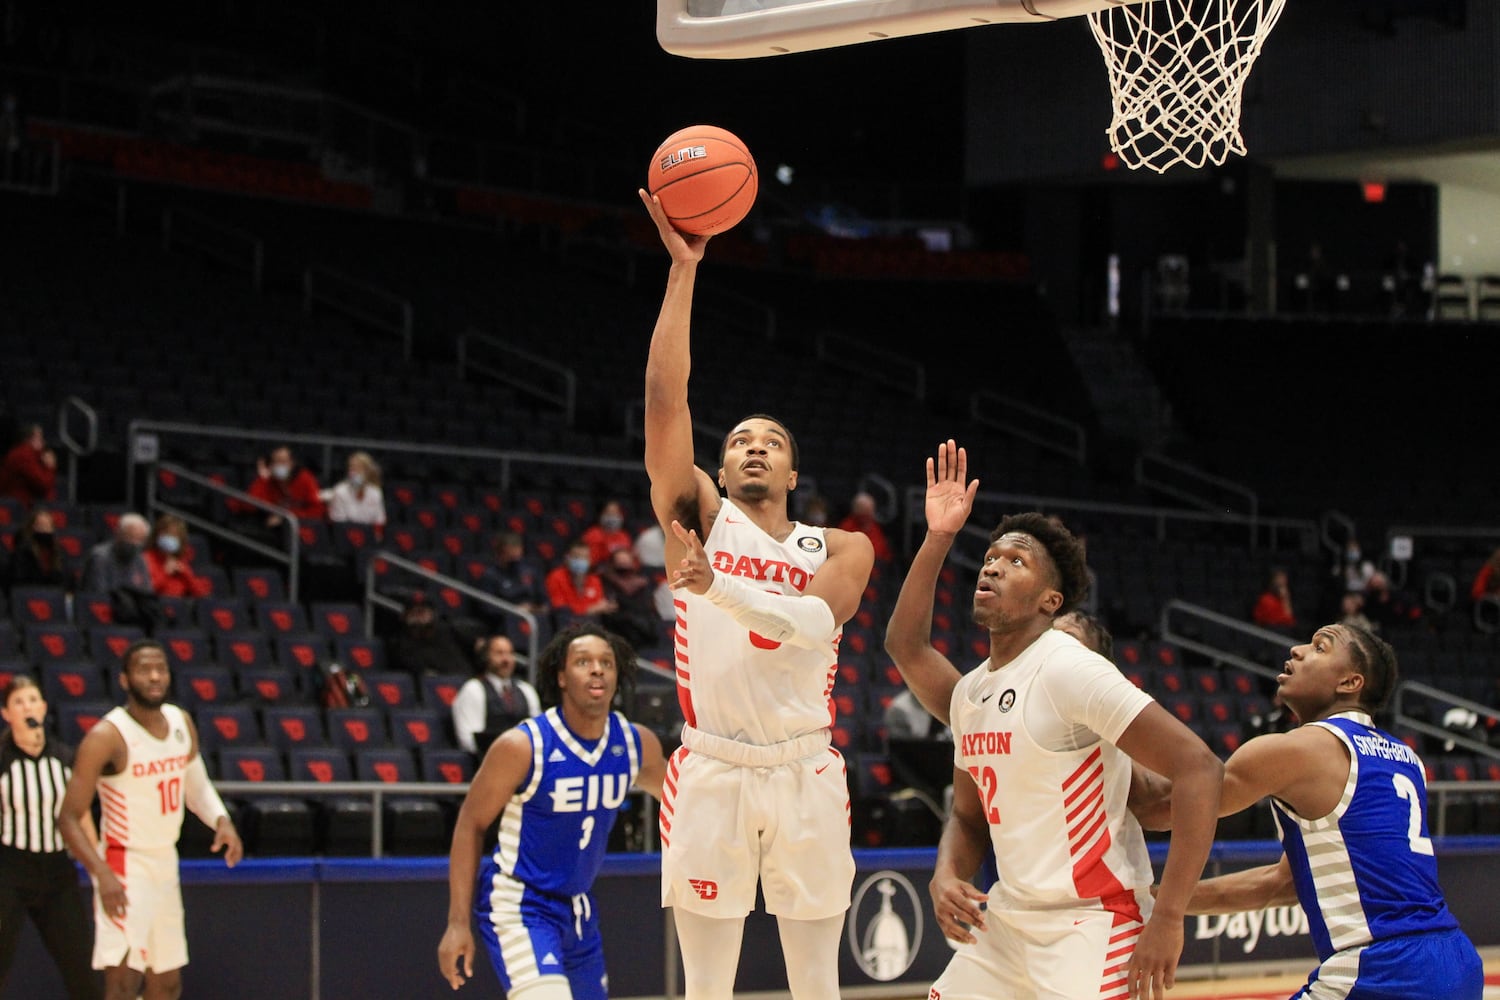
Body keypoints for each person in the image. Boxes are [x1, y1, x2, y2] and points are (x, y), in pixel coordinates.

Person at [639, 187, 876, 1000]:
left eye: (770, 442)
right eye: (739, 439)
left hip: (807, 770)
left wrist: (719, 590)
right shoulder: (704, 520)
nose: (751, 449)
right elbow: (667, 404)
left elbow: (815, 623)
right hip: (712, 766)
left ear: (793, 473)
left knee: (817, 987)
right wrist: (683, 273)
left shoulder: (840, 545)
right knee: (707, 989)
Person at [883, 440, 1222, 1000]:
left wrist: (1169, 916)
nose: (993, 565)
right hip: (1010, 919)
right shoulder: (971, 692)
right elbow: (969, 820)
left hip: (1092, 920)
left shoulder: (1071, 669)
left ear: (1049, 601)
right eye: (992, 557)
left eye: (1016, 562)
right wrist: (947, 874)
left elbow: (1200, 769)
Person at [1144, 623, 1483, 1000]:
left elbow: (1167, 809)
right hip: (1455, 962)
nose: (1297, 650)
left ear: (1350, 683)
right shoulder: (1405, 758)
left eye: (1320, 647)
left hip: (1386, 968)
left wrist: (1107, 741)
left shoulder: (1300, 750)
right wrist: (1155, 898)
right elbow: (1282, 884)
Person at [437, 623, 667, 998]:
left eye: (606, 662)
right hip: (520, 904)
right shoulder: (522, 746)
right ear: (561, 677)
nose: (597, 669)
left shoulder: (635, 743)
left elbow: (682, 799)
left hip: (578, 909)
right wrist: (457, 923)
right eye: (583, 662)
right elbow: (470, 824)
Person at [57, 640, 243, 1000]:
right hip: (124, 864)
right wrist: (101, 873)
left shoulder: (180, 722)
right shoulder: (106, 736)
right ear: (125, 680)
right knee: (124, 982)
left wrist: (221, 818)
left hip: (165, 862)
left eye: (161, 669)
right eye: (144, 669)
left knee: (168, 982)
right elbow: (67, 817)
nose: (155, 676)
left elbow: (197, 785)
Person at [0, 677, 100, 999]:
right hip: (9, 871)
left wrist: (98, 866)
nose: (27, 706)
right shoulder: (2, 760)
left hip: (58, 873)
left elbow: (82, 815)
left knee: (83, 968)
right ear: (6, 714)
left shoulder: (66, 758)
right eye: (19, 702)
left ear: (44, 708)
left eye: (33, 699)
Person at [451, 634, 541, 756]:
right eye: (499, 653)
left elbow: (538, 733)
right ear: (486, 657)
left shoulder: (526, 690)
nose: (506, 659)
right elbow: (469, 741)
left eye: (509, 653)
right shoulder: (473, 689)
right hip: (486, 763)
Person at [227, 445, 325, 530]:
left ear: (292, 463)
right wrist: (263, 479)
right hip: (273, 528)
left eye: (283, 461)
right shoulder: (268, 481)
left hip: (301, 527)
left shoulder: (305, 479)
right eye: (275, 462)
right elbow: (251, 506)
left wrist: (285, 516)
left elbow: (317, 511)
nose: (279, 465)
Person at [388, 593, 473, 678]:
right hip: (438, 685)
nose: (418, 617)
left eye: (422, 611)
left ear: (433, 614)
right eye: (413, 612)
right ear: (404, 616)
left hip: (466, 681)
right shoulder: (398, 643)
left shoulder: (448, 633)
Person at [597, 547, 663, 650]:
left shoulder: (642, 584)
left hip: (644, 634)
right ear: (612, 564)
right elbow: (612, 608)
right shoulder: (604, 581)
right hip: (616, 632)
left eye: (626, 562)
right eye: (620, 563)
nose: (624, 566)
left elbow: (648, 609)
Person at [544, 541, 615, 627]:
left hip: (592, 624)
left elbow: (600, 605)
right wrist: (587, 609)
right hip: (565, 625)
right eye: (576, 557)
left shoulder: (594, 580)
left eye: (585, 557)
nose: (581, 561)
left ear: (590, 560)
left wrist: (600, 608)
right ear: (567, 558)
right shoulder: (556, 577)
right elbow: (559, 607)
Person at [142, 514, 212, 600]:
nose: (170, 538)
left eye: (174, 535)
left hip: (178, 608)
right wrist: (165, 573)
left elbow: (202, 594)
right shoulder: (146, 558)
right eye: (166, 533)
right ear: (157, 535)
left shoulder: (181, 561)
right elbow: (145, 590)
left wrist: (186, 575)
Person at [323, 450, 386, 527]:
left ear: (367, 472)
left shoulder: (375, 493)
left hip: (369, 536)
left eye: (358, 468)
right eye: (352, 468)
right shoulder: (340, 491)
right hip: (346, 534)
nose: (354, 472)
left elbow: (380, 521)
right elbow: (338, 523)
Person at [0, 423, 57, 508]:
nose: (43, 442)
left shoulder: (31, 455)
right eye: (40, 438)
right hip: (19, 507)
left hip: (24, 505)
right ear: (28, 439)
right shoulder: (23, 455)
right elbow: (42, 484)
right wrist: (50, 467)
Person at [8, 505, 66, 587]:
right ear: (32, 527)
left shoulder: (60, 552)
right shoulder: (22, 552)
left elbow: (66, 579)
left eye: (48, 526)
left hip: (54, 596)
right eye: (41, 526)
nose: (45, 530)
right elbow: (18, 580)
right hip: (29, 594)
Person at [837, 491, 893, 562]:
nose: (869, 517)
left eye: (870, 512)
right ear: (856, 512)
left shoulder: (875, 527)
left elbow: (885, 554)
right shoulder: (846, 528)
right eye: (865, 513)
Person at [579, 499, 632, 568]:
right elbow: (589, 561)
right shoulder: (592, 535)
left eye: (615, 513)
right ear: (601, 515)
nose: (612, 516)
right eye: (609, 513)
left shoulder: (624, 536)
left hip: (622, 573)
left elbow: (630, 560)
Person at [1252, 567, 1298, 632]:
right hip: (1269, 633)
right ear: (1273, 580)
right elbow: (1273, 621)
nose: (1282, 582)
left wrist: (1285, 599)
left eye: (1284, 579)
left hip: (1283, 633)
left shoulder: (1286, 599)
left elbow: (1291, 622)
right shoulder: (1266, 599)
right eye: (1279, 578)